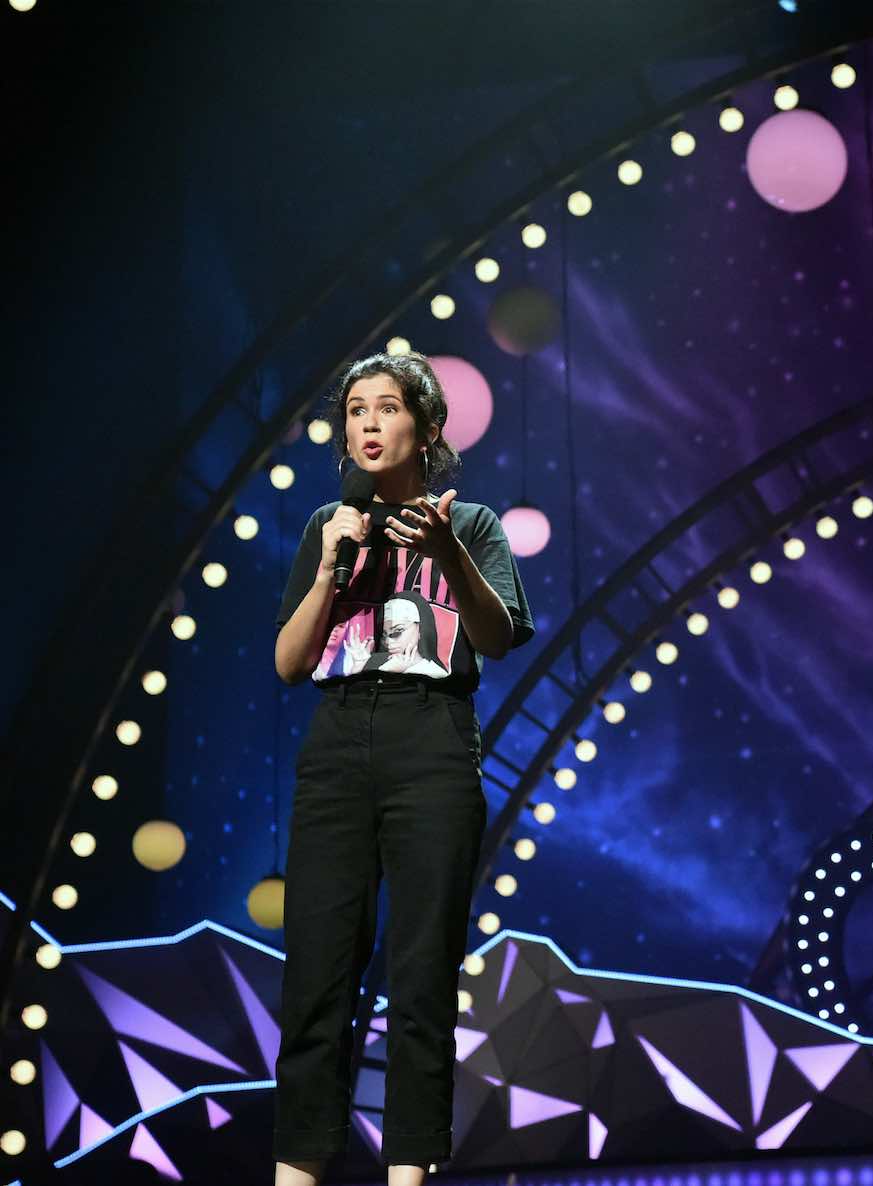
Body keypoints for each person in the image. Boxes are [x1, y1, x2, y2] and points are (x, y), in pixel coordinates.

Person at [270, 351, 534, 1186]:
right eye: (355, 410)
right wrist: (328, 569)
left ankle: (407, 1176)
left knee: (421, 977)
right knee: (316, 979)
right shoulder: (329, 523)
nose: (368, 423)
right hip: (338, 740)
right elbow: (288, 663)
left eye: (386, 407)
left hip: (432, 739)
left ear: (426, 427)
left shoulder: (473, 524)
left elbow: (496, 638)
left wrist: (449, 552)